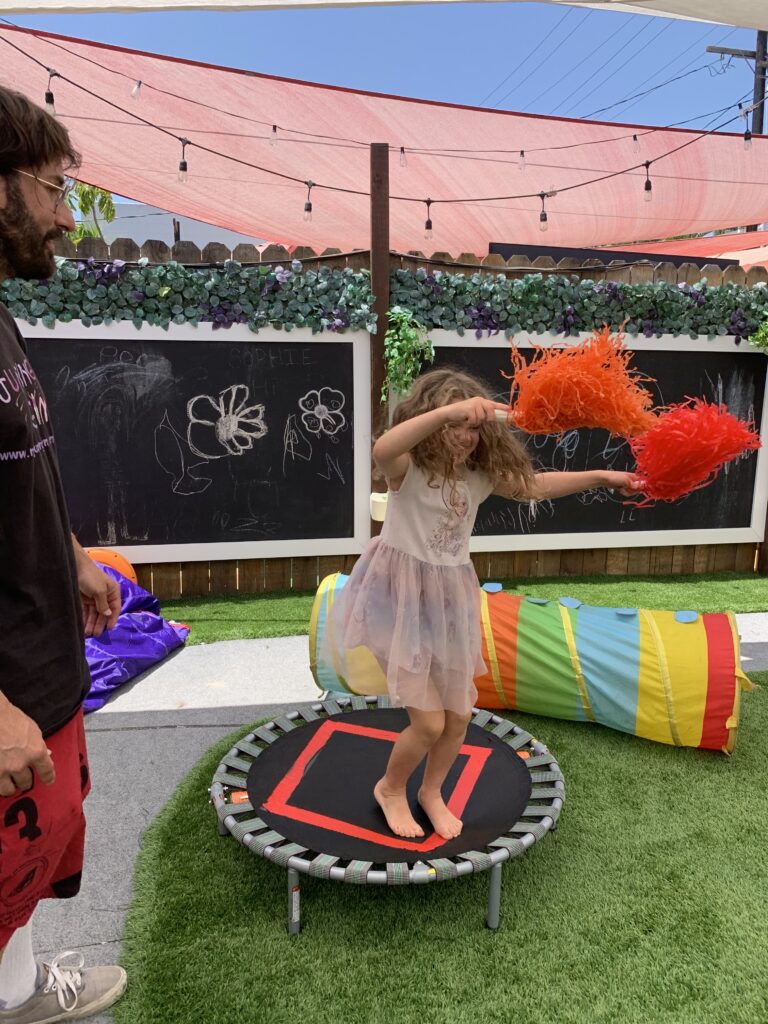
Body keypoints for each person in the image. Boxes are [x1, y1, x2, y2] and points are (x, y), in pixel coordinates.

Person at [326, 367, 642, 842]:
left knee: (458, 715)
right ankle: (390, 788)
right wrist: (448, 411)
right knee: (429, 722)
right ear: (432, 420)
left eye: (474, 428)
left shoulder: (478, 476)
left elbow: (537, 485)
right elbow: (383, 448)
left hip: (449, 599)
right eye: (456, 425)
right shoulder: (408, 468)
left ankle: (431, 792)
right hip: (398, 596)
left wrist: (602, 475)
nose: (465, 436)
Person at [0, 86, 126, 1022]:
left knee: (31, 865)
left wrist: (74, 551)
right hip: (5, 689)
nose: (61, 213)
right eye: (49, 186)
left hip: (41, 664)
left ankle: (21, 993)